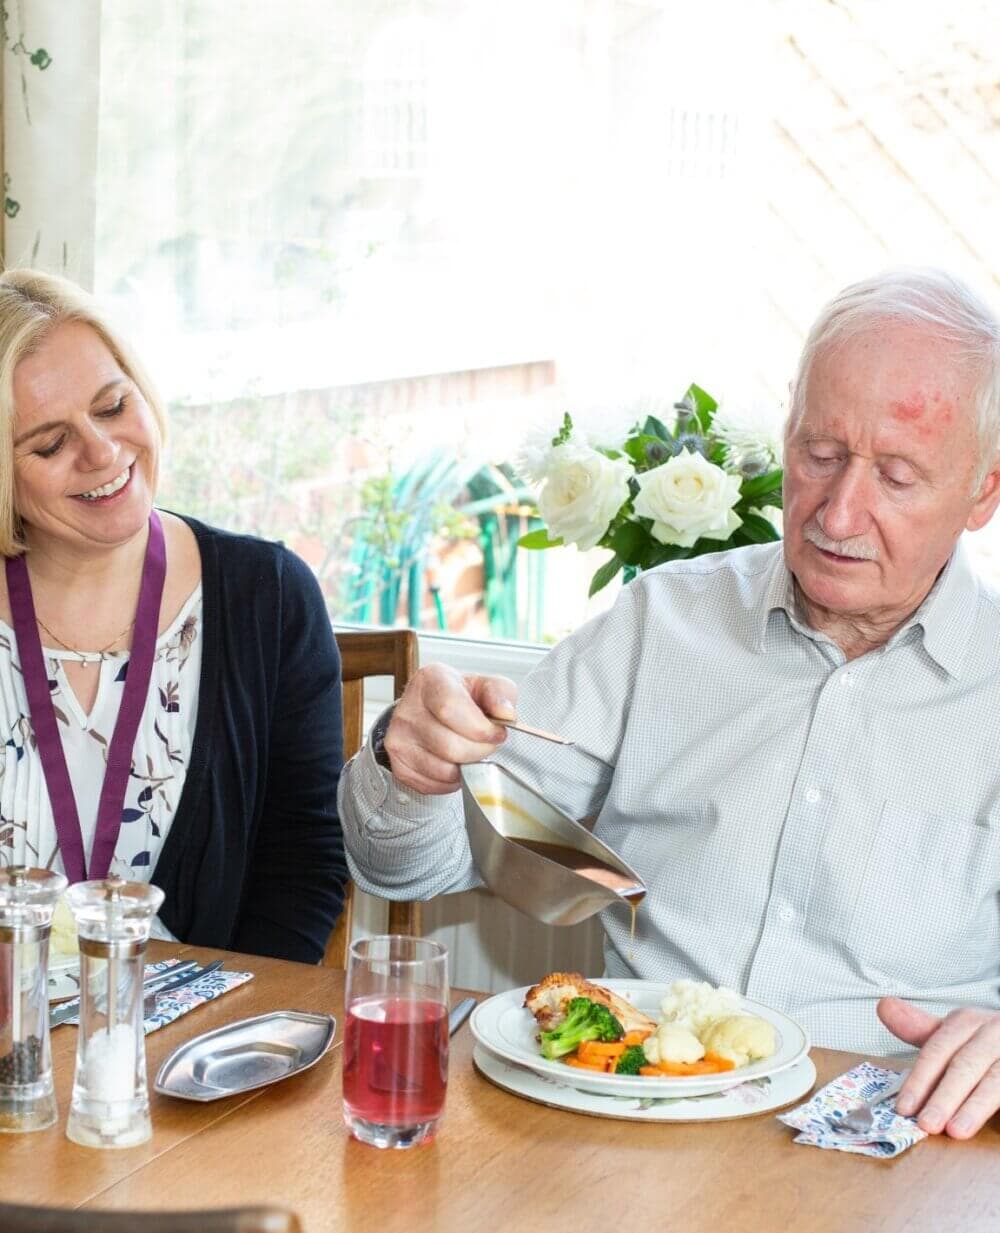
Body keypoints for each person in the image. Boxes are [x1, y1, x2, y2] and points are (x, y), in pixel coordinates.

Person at [340, 267, 1000, 1137]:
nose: (839, 512)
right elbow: (408, 869)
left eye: (899, 476)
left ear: (984, 490)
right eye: (820, 453)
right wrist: (408, 765)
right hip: (634, 1135)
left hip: (900, 1161)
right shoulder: (664, 623)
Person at [0, 269, 347, 962]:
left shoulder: (268, 597)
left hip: (194, 1052)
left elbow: (303, 869)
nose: (102, 451)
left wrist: (218, 1039)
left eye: (112, 405)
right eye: (49, 443)